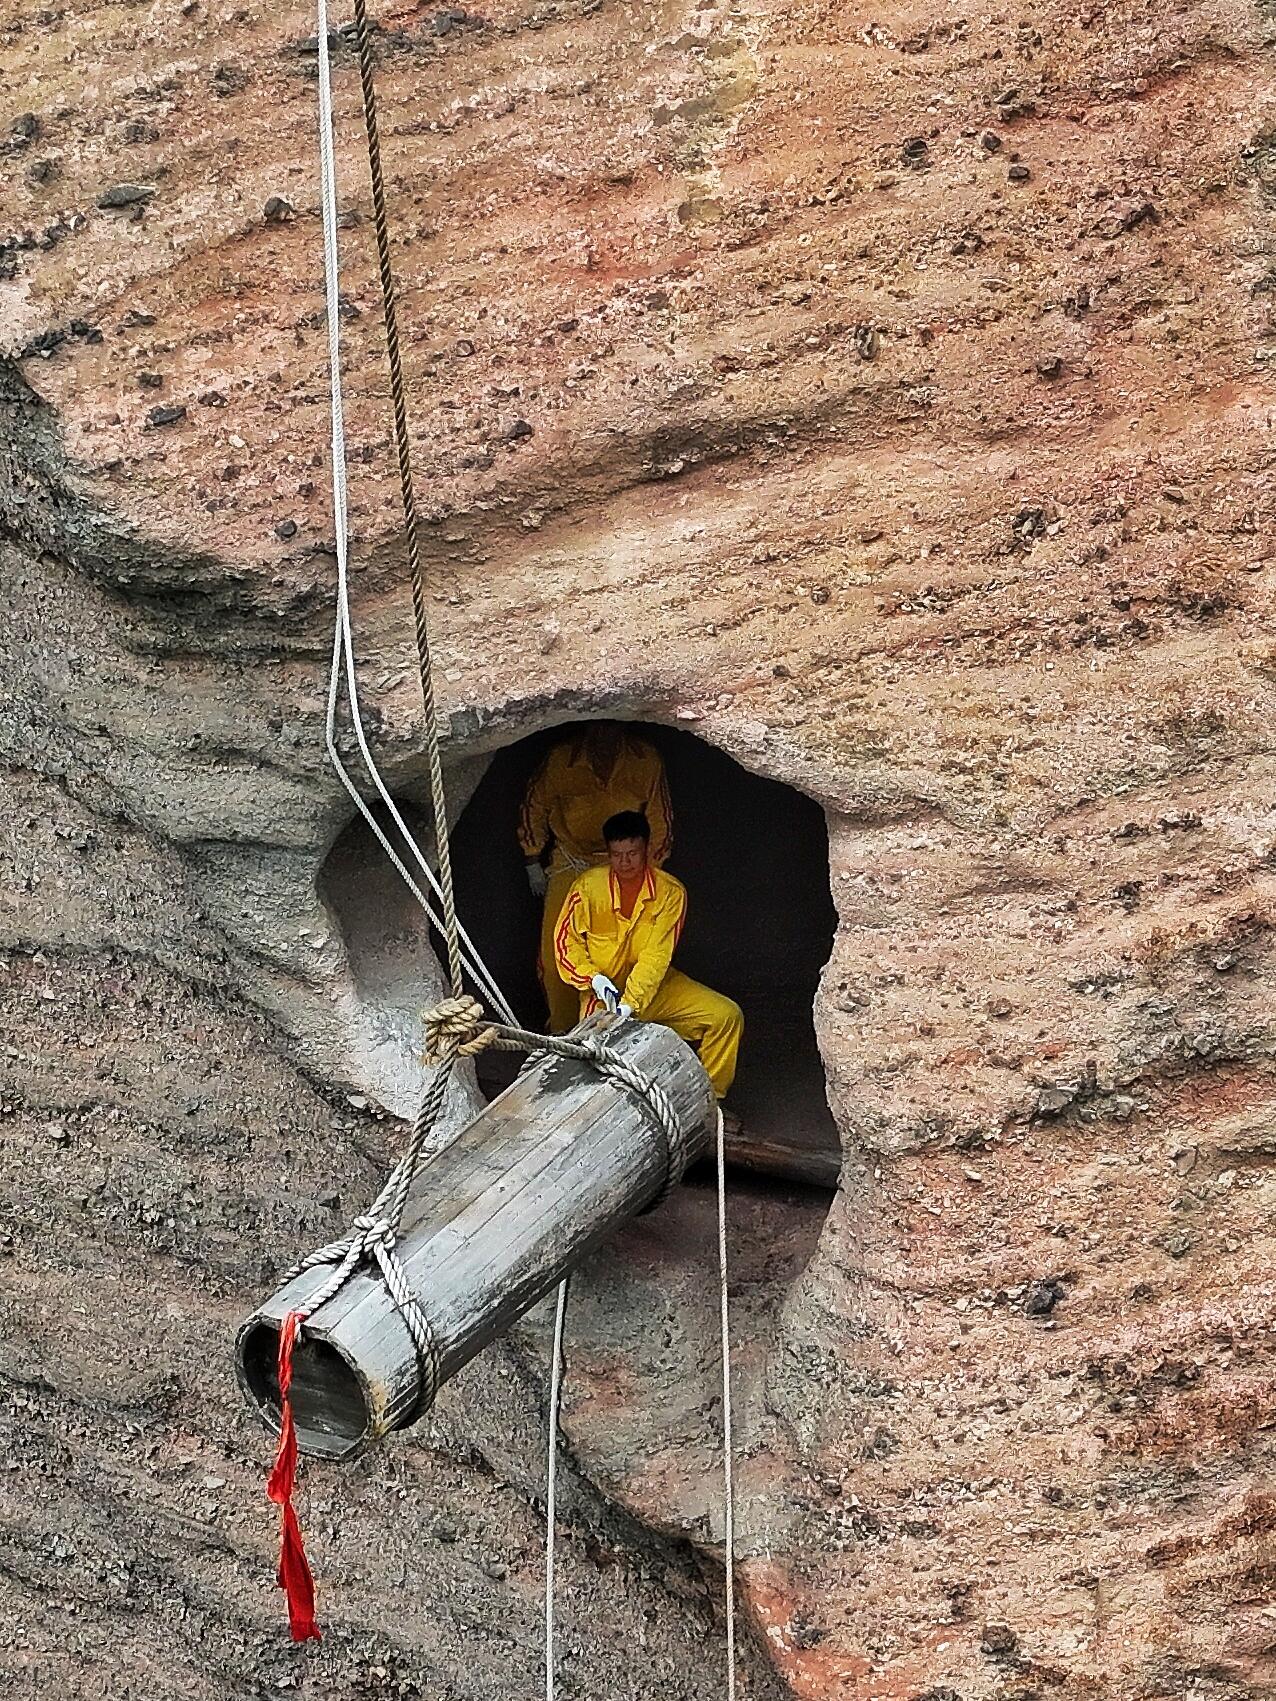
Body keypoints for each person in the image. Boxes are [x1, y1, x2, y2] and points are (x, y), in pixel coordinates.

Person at [553, 810, 742, 1101]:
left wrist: (630, 1004)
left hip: (656, 987)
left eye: (632, 853)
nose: (625, 862)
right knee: (593, 1054)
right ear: (607, 853)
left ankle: (710, 1102)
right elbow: (566, 943)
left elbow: (656, 956)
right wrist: (593, 979)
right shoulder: (587, 887)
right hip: (602, 995)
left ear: (647, 850)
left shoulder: (670, 892)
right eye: (617, 854)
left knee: (726, 1016)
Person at [518, 724, 672, 1032]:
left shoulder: (645, 760)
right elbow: (534, 805)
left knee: (624, 952)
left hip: (624, 865)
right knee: (555, 954)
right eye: (598, 728)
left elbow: (659, 819)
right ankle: (561, 1033)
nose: (605, 737)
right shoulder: (561, 760)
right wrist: (532, 858)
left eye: (612, 728)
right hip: (572, 861)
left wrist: (650, 872)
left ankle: (618, 1029)